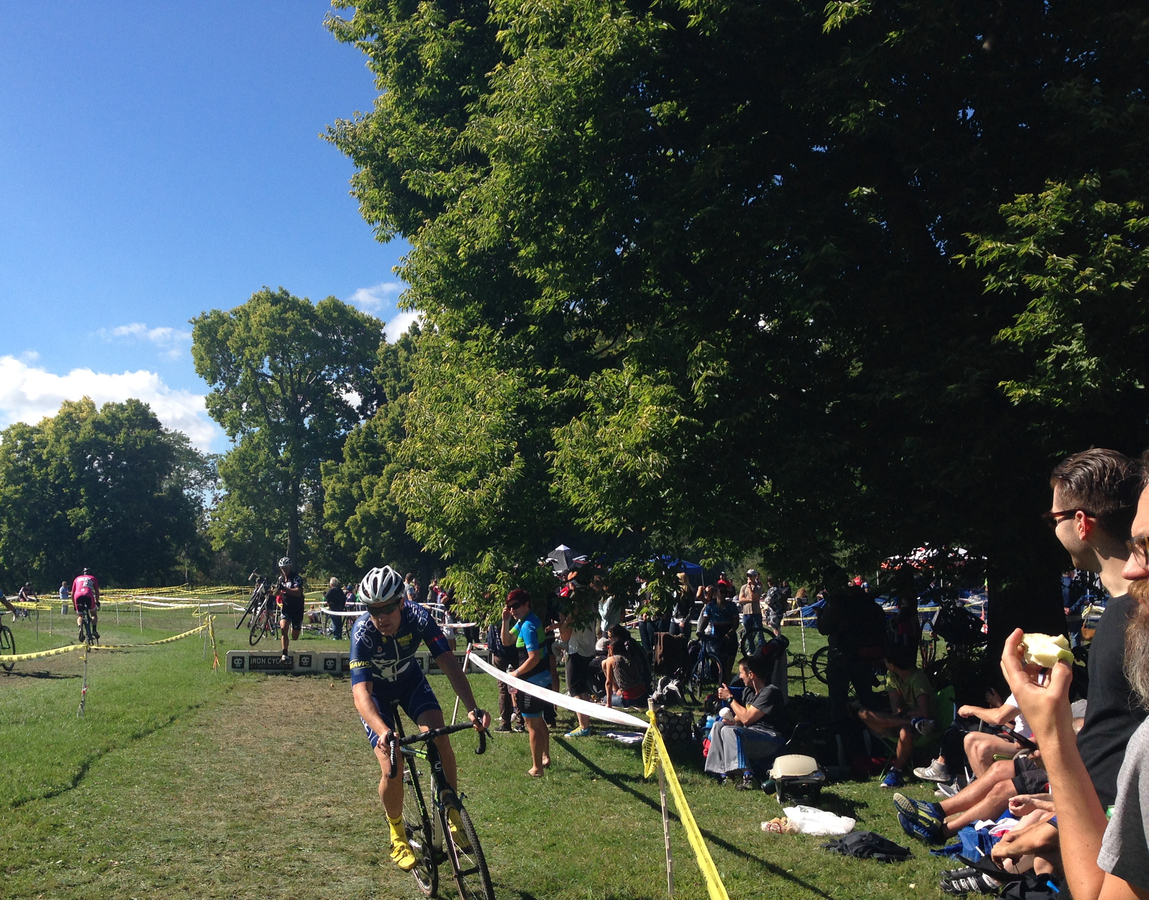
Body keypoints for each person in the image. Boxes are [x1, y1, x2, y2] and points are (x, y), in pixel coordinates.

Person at [999, 471, 1149, 900]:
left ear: (1081, 522)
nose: (1134, 566)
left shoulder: (1129, 622)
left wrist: (1051, 730)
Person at [350, 565, 489, 871]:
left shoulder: (419, 617)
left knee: (440, 736)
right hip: (377, 696)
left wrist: (472, 707)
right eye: (372, 609)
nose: (380, 617)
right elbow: (360, 694)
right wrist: (383, 731)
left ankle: (453, 814)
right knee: (391, 763)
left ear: (401, 602)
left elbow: (448, 663)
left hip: (410, 682)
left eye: (387, 608)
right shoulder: (362, 632)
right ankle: (397, 833)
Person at [855, 641, 936, 789]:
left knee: (905, 730)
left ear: (893, 663)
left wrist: (905, 716)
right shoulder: (892, 676)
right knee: (863, 713)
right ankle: (907, 723)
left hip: (922, 726)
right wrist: (904, 717)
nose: (884, 663)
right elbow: (896, 709)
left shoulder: (918, 678)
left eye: (886, 660)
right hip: (904, 720)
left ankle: (896, 771)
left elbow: (924, 712)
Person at [705, 654, 787, 787]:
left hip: (770, 739)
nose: (740, 676)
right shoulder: (748, 692)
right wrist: (731, 721)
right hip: (750, 734)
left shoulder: (770, 692)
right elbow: (739, 720)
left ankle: (748, 775)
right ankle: (720, 773)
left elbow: (747, 719)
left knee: (729, 731)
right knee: (719, 726)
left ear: (751, 674)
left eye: (741, 673)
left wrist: (730, 699)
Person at [501, 589, 552, 777]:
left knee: (531, 724)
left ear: (526, 605)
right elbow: (506, 641)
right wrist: (506, 621)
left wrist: (516, 673)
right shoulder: (524, 622)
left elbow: (534, 657)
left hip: (534, 681)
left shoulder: (529, 625)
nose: (512, 610)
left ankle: (536, 767)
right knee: (539, 721)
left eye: (516, 606)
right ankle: (545, 757)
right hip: (539, 679)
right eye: (509, 606)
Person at [559, 606, 597, 737]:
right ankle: (585, 725)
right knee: (582, 690)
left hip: (577, 651)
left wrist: (565, 620)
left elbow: (564, 634)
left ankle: (583, 726)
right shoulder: (591, 608)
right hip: (588, 650)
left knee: (575, 689)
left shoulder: (576, 610)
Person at [698, 584, 738, 684]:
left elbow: (736, 623)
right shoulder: (710, 606)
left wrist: (729, 634)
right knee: (720, 666)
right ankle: (721, 688)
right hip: (716, 636)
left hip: (730, 635)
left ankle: (728, 689)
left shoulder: (732, 606)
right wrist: (700, 631)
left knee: (728, 668)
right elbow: (705, 620)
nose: (724, 594)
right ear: (716, 593)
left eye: (726, 592)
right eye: (721, 592)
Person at [602, 625, 649, 709]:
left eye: (610, 637)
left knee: (604, 698)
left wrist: (608, 704)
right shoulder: (629, 654)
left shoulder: (613, 660)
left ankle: (615, 692)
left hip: (628, 698)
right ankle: (616, 691)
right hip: (643, 694)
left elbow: (608, 683)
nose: (609, 639)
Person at [275, 556, 305, 663]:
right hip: (286, 608)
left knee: (295, 636)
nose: (284, 570)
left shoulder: (296, 578)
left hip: (297, 609)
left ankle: (296, 627)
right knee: (283, 628)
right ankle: (284, 654)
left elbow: (298, 592)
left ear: (290, 567)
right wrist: (268, 591)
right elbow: (277, 593)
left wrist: (285, 589)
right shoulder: (280, 579)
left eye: (286, 568)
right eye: (282, 568)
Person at [71, 567, 100, 642]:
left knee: (80, 615)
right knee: (94, 614)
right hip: (88, 595)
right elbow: (96, 591)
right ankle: (94, 630)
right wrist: (97, 601)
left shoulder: (77, 578)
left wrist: (74, 605)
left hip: (78, 596)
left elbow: (72, 594)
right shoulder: (93, 578)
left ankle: (80, 628)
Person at [739, 569, 765, 651]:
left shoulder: (759, 586)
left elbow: (754, 597)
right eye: (748, 575)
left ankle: (762, 649)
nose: (749, 577)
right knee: (748, 633)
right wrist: (750, 600)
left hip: (756, 613)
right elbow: (741, 599)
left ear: (755, 576)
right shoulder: (743, 587)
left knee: (759, 632)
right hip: (746, 613)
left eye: (751, 575)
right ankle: (751, 649)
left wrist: (750, 587)